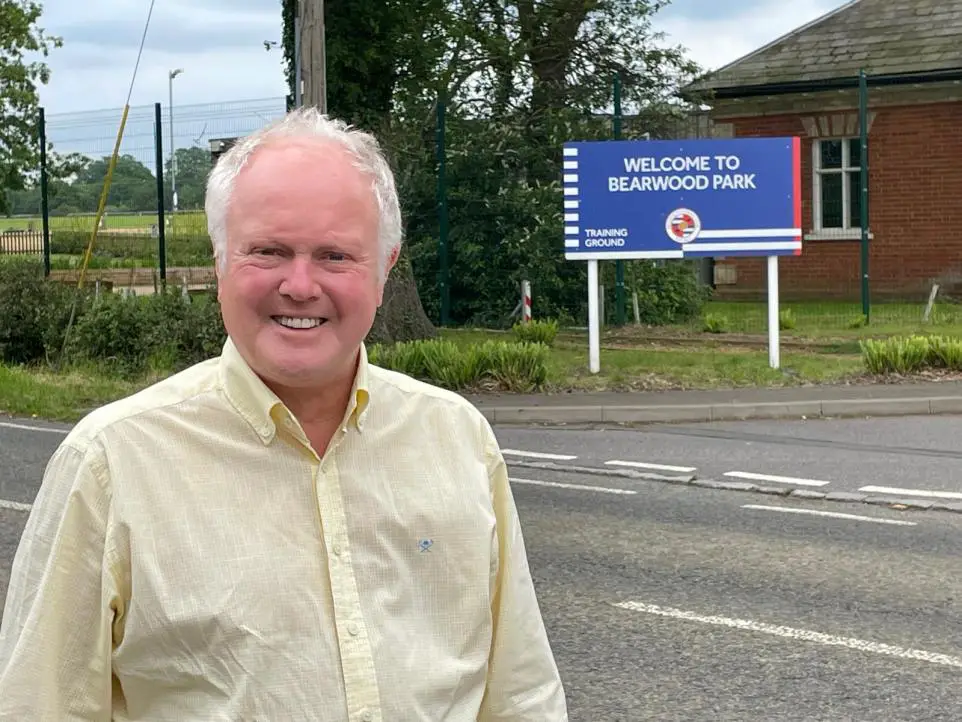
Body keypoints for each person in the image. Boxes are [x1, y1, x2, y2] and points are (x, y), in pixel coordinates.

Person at [0, 108, 568, 721]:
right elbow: (40, 704)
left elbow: (520, 695)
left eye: (335, 256)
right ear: (219, 261)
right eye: (268, 251)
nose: (300, 285)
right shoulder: (112, 462)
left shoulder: (458, 439)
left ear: (386, 267)